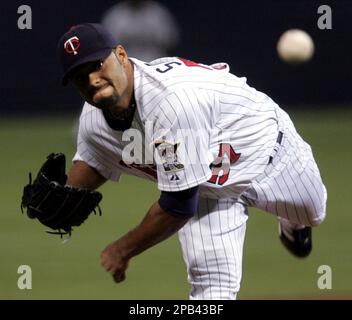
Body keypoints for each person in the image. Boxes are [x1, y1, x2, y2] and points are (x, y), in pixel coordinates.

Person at [57, 23, 327, 299]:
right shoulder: (93, 119)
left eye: (97, 65)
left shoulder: (170, 101)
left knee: (313, 212)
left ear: (122, 55)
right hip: (207, 189)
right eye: (80, 77)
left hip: (270, 154)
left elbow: (177, 206)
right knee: (212, 294)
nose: (92, 80)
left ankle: (293, 224)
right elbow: (93, 163)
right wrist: (60, 199)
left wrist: (123, 249)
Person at [101, 0, 180, 62]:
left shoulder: (157, 13)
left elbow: (171, 40)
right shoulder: (116, 15)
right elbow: (107, 46)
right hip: (125, 65)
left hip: (155, 62)